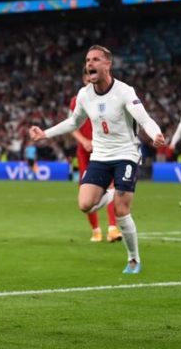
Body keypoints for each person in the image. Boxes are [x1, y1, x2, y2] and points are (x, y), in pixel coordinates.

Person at [29, 45, 165, 274]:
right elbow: (73, 122)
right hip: (100, 156)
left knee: (122, 210)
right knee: (85, 204)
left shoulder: (124, 91)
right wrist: (45, 133)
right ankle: (113, 192)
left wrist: (156, 134)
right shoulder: (84, 95)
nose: (89, 63)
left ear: (107, 65)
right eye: (87, 60)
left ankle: (133, 259)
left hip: (126, 154)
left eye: (95, 59)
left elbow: (144, 119)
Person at [71, 67, 120, 243]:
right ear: (84, 79)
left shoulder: (109, 99)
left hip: (103, 151)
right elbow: (72, 126)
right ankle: (96, 230)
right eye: (87, 76)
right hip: (84, 153)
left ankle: (113, 228)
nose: (90, 79)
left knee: (111, 188)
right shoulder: (78, 100)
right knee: (86, 192)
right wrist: (83, 140)